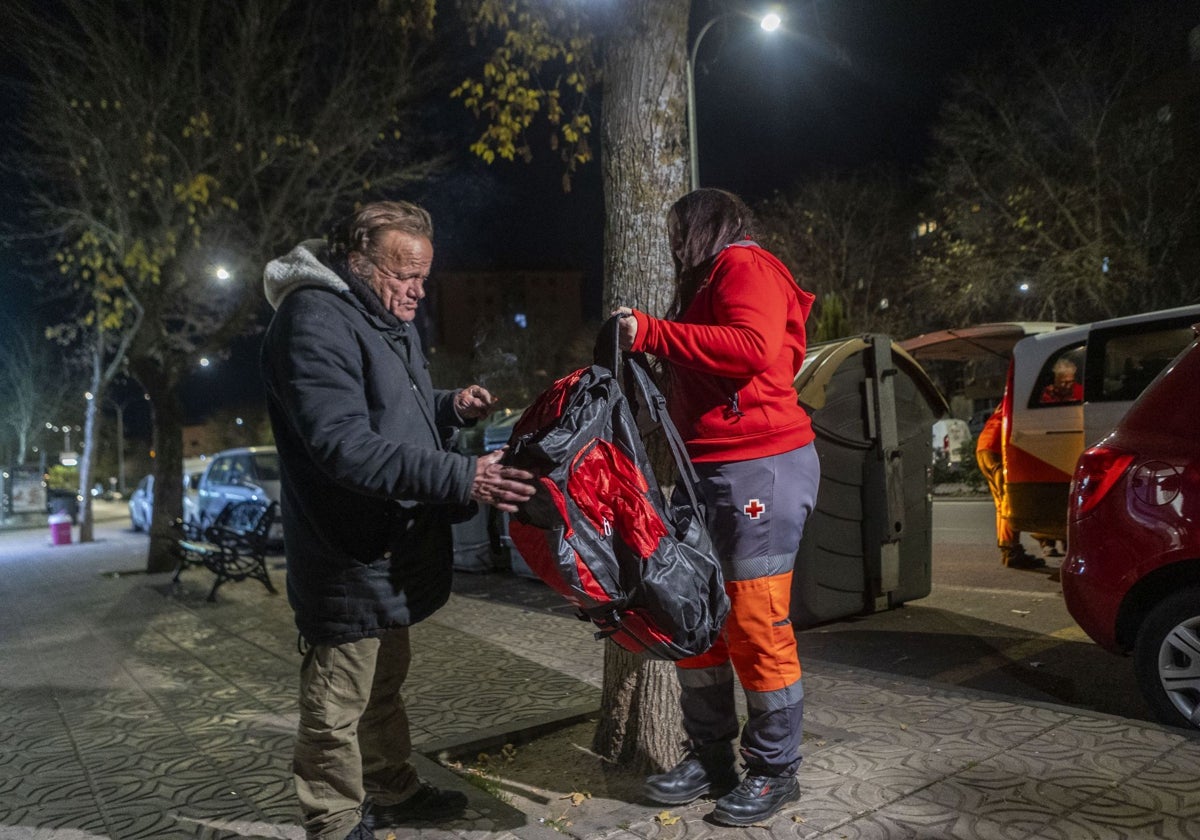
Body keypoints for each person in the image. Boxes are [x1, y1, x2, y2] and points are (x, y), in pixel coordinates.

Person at [260, 200, 536, 840]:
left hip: (391, 550)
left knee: (383, 688)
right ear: (356, 262)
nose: (416, 291)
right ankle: (332, 820)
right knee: (335, 704)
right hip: (347, 556)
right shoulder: (312, 321)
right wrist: (465, 475)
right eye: (402, 275)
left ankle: (390, 790)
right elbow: (344, 445)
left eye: (424, 277)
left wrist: (449, 407)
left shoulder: (382, 317)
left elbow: (394, 407)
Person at [614, 188, 820, 827]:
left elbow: (751, 346)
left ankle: (774, 769)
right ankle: (711, 757)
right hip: (711, 466)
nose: (674, 246)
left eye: (678, 232)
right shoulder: (714, 279)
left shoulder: (744, 266)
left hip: (759, 462)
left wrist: (651, 331)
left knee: (754, 619)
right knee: (697, 613)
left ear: (703, 227)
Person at [975, 405, 1043, 569]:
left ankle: (1008, 549)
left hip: (984, 448)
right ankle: (1011, 552)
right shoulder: (1022, 399)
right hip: (996, 449)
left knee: (1001, 502)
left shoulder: (1008, 400)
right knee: (1008, 501)